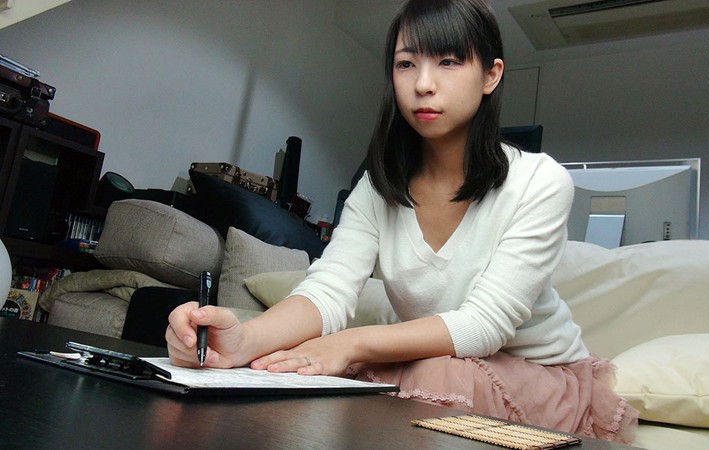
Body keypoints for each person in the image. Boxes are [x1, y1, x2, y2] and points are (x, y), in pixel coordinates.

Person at [166, 0, 637, 443]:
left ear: (491, 75)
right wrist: (242, 340)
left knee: (412, 372)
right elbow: (328, 290)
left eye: (448, 62)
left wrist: (351, 344)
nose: (423, 84)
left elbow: (485, 325)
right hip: (437, 364)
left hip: (538, 376)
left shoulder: (539, 181)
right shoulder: (377, 188)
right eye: (406, 63)